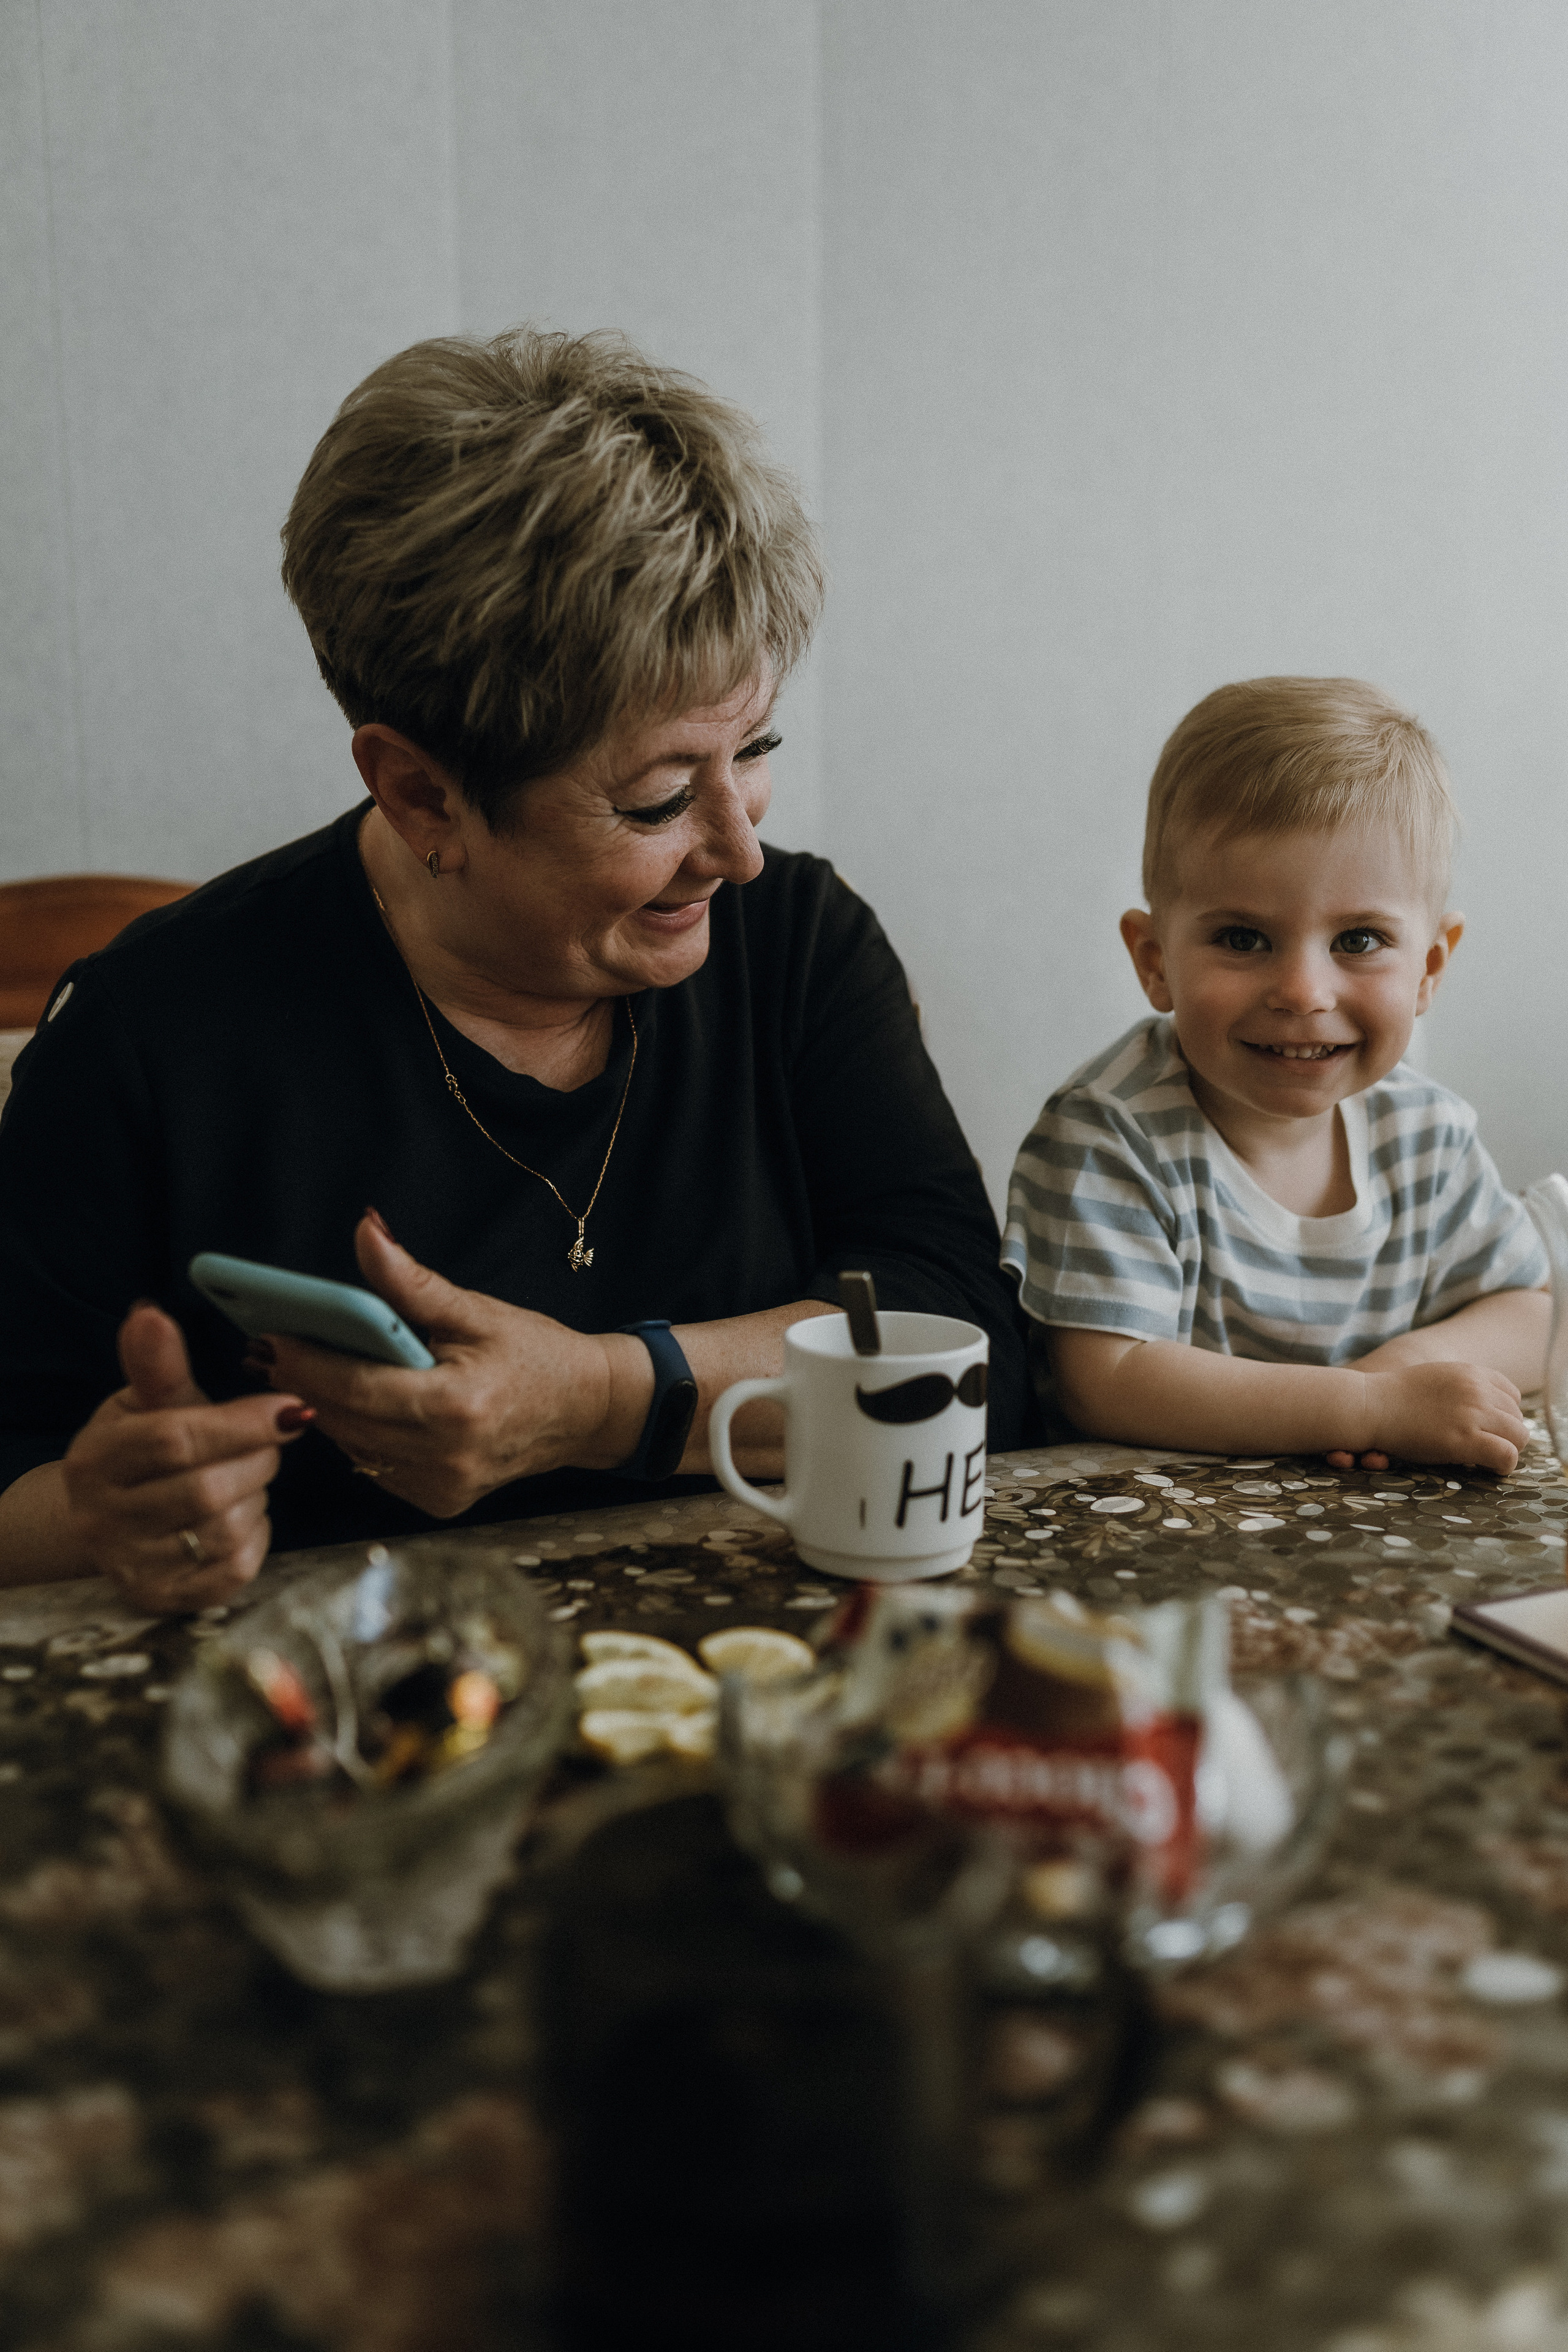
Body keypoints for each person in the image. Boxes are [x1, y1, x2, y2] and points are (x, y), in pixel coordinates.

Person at [0, 328, 1027, 1611]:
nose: (740, 850)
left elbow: (962, 1337)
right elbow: (18, 1478)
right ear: (422, 792)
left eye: (752, 745)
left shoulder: (801, 947)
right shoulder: (149, 1035)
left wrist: (598, 1398)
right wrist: (108, 1513)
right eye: (658, 799)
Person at [1003, 676, 1548, 1474]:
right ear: (1156, 962)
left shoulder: (1428, 1137)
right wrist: (1364, 1410)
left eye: (1358, 940)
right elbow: (1108, 1381)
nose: (1302, 992)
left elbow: (1534, 1315)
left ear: (1429, 969)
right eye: (1243, 938)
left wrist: (1394, 1378)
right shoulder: (1110, 1131)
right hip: (1151, 1555)